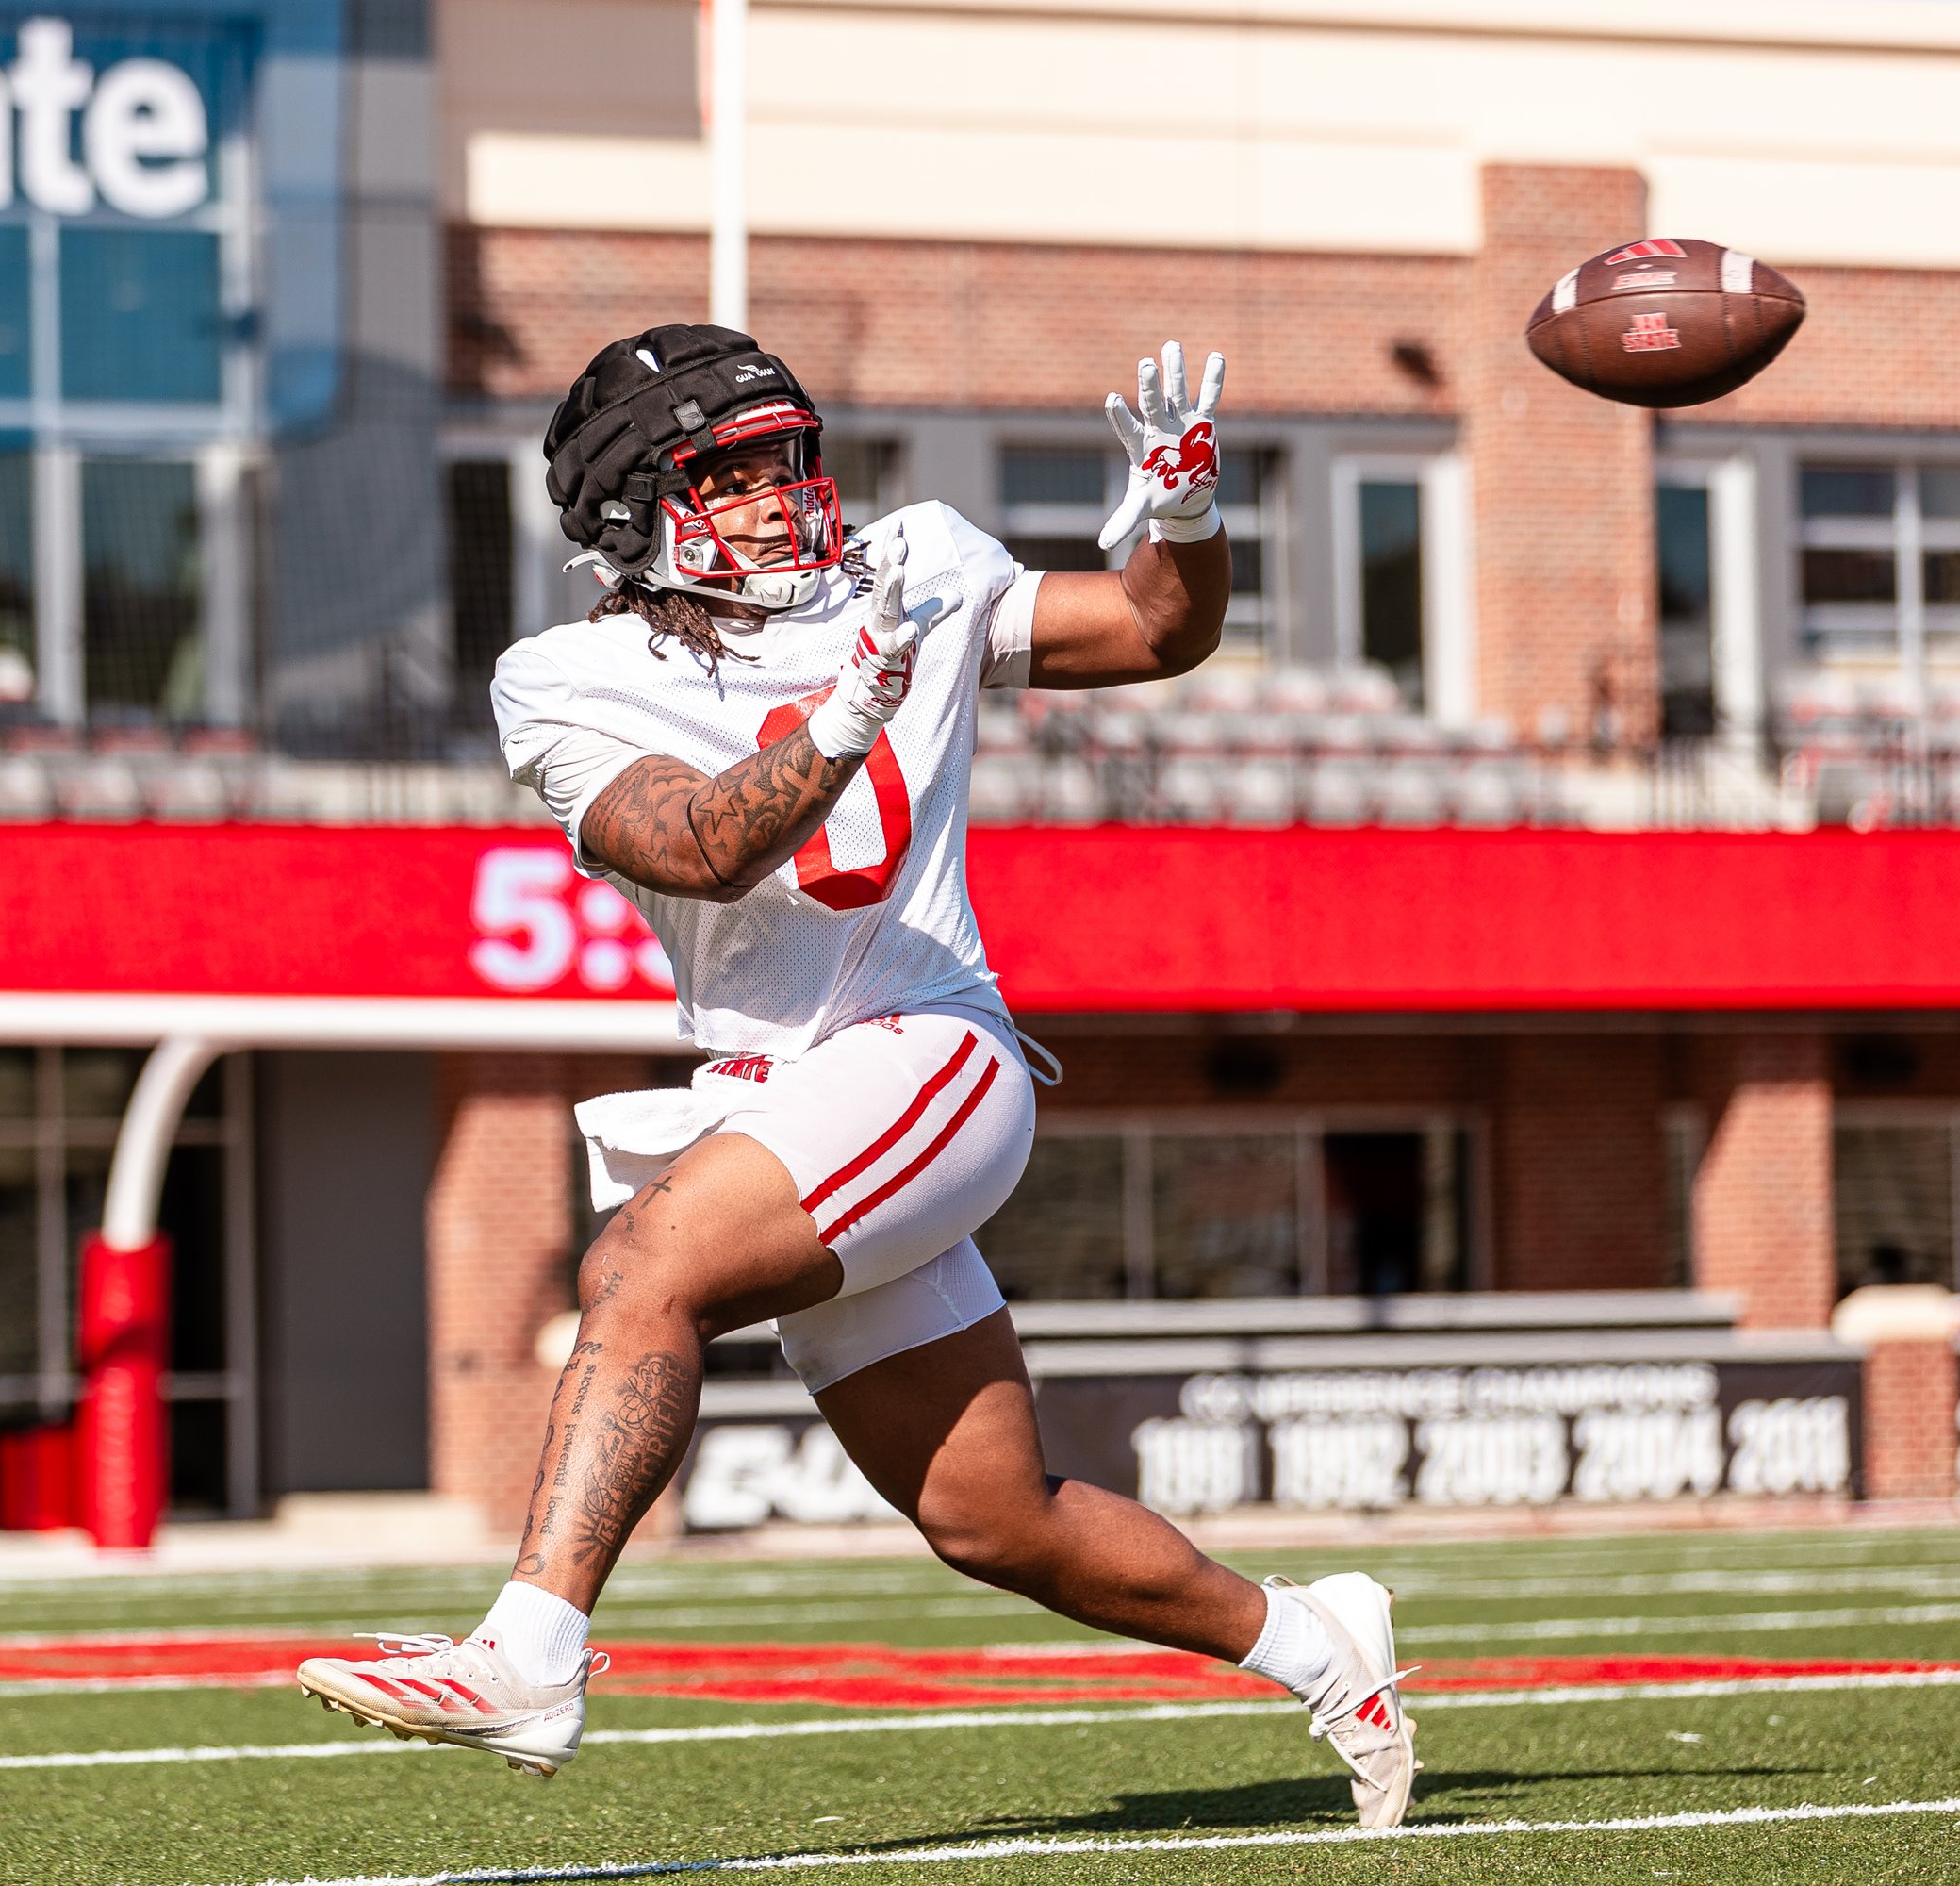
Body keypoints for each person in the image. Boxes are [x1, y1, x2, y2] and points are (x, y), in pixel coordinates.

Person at [296, 324, 1416, 1825]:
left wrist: (1189, 513)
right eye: (729, 473)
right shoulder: (564, 678)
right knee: (993, 1518)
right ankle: (1319, 1639)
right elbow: (695, 841)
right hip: (775, 1090)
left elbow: (1159, 630)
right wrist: (842, 718)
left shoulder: (913, 567)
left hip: (925, 1042)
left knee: (643, 1267)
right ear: (636, 507)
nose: (779, 499)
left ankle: (530, 1652)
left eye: (787, 462)